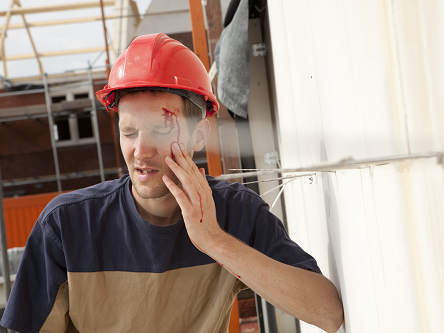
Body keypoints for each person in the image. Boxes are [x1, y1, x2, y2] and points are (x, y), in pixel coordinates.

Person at [0, 33, 343, 333]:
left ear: (198, 135)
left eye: (161, 130)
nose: (140, 151)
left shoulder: (233, 212)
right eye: (129, 132)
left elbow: (327, 313)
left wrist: (213, 240)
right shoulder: (66, 225)